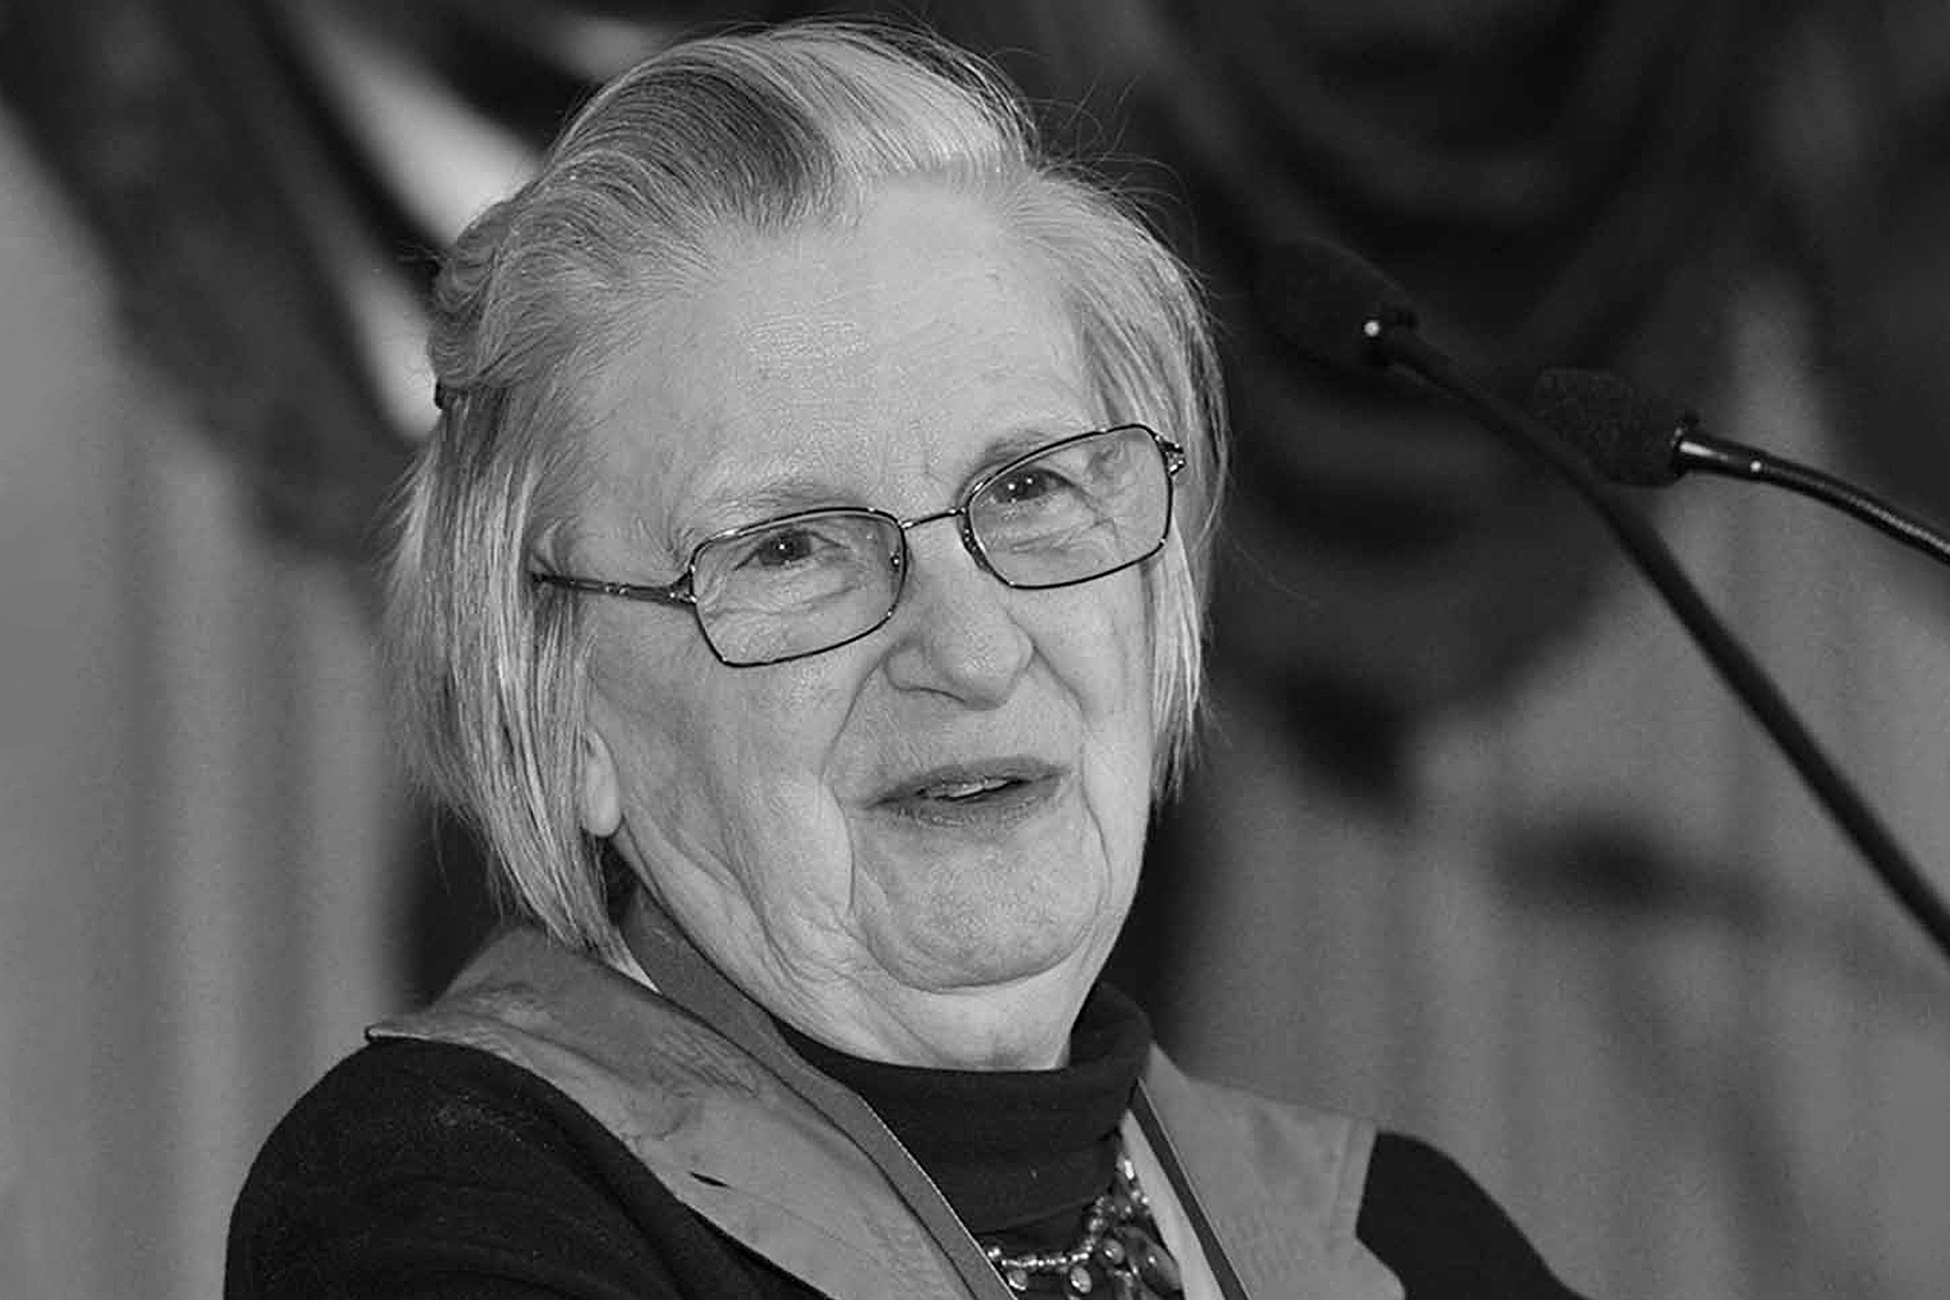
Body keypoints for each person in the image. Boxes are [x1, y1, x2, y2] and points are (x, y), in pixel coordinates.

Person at [225, 20, 1588, 1299]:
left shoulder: (1395, 1242)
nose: (975, 650)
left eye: (1031, 488)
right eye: (789, 549)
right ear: (562, 705)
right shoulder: (440, 1215)